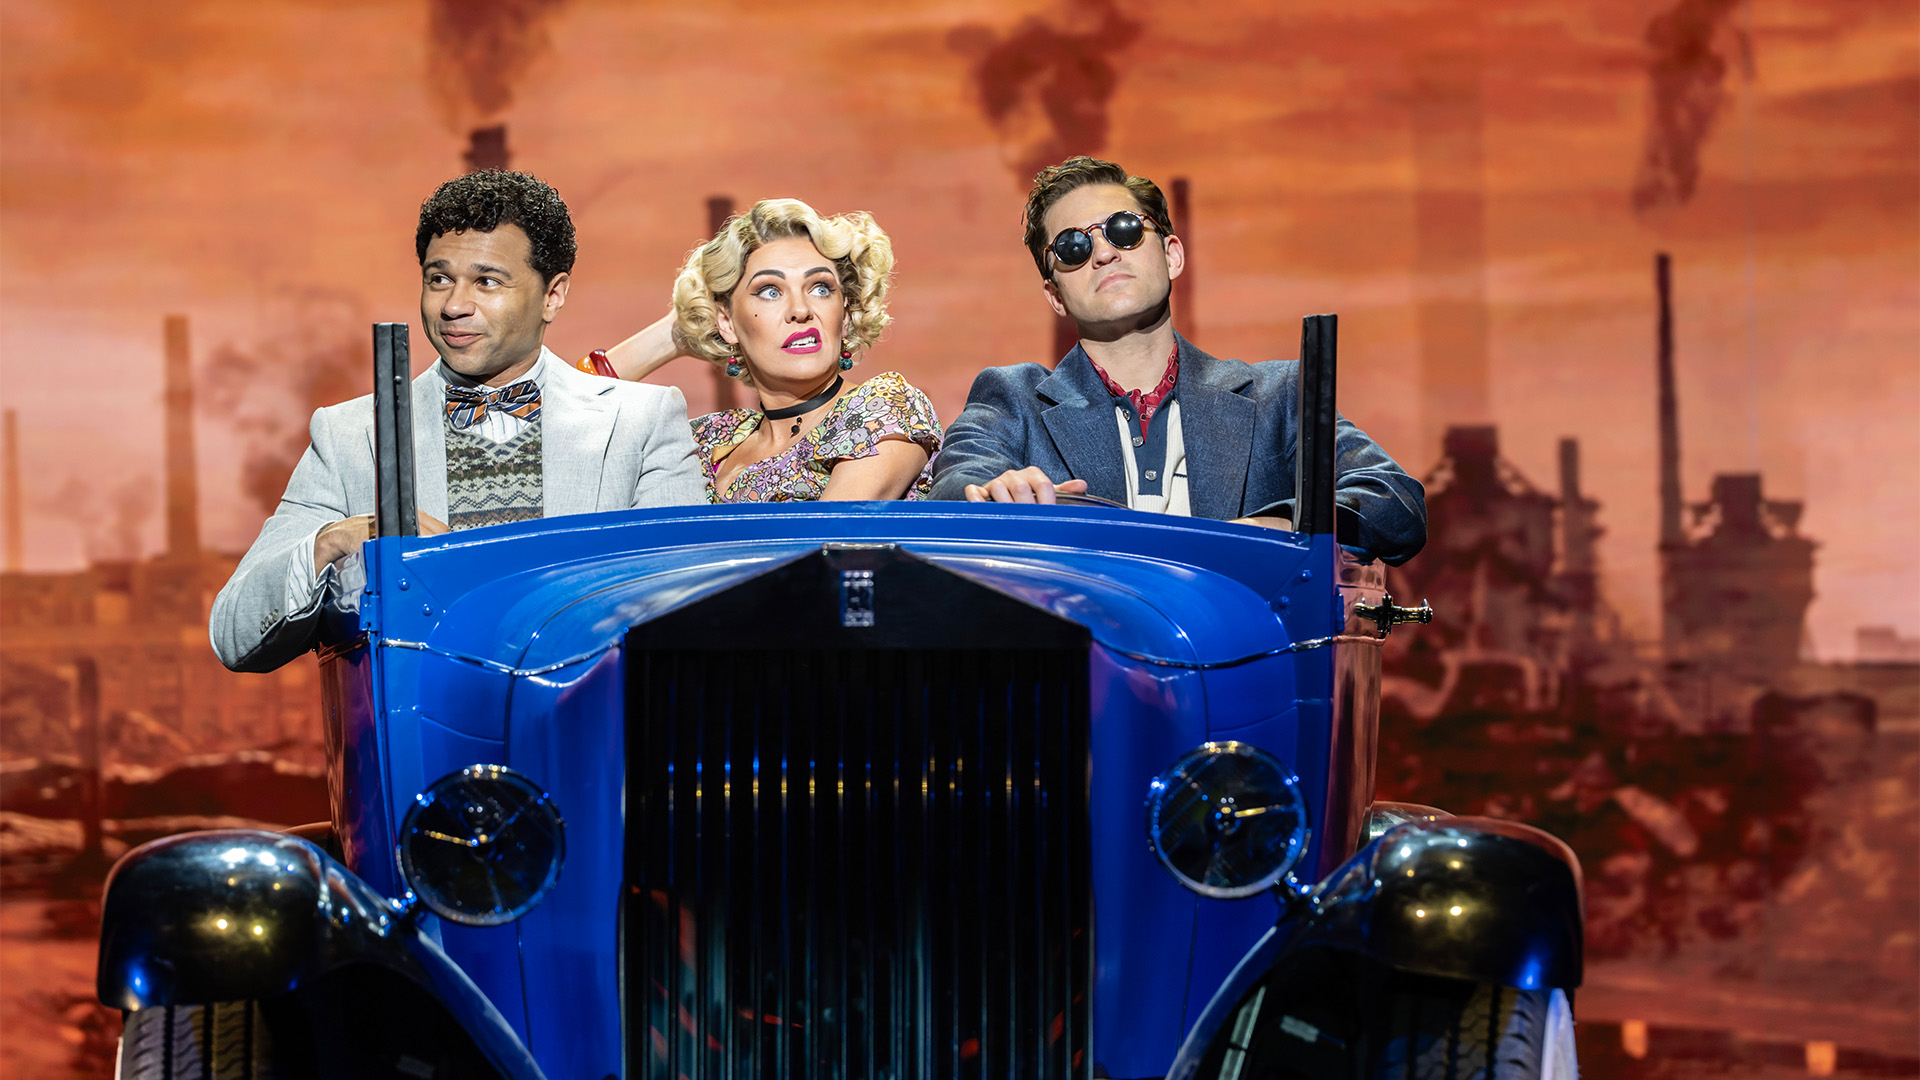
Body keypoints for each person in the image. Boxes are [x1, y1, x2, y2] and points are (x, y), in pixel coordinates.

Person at [209, 170, 706, 673]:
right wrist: (332, 542)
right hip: (415, 742)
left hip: (582, 735)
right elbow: (234, 634)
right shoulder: (350, 436)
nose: (453, 305)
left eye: (487, 281)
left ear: (553, 295)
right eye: (439, 279)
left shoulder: (642, 422)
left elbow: (681, 620)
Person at [927, 156, 1427, 564]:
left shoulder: (1278, 397)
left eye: (1123, 230)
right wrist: (992, 492)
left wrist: (1278, 525)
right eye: (1073, 246)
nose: (1103, 253)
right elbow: (954, 484)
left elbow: (1395, 501)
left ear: (1171, 255)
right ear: (1055, 296)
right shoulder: (1013, 397)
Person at [579, 199, 941, 503]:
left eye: (820, 288)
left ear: (845, 316)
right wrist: (673, 334)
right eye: (770, 290)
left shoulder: (884, 409)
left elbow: (814, 552)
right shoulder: (706, 441)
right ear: (727, 322)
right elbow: (554, 434)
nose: (801, 310)